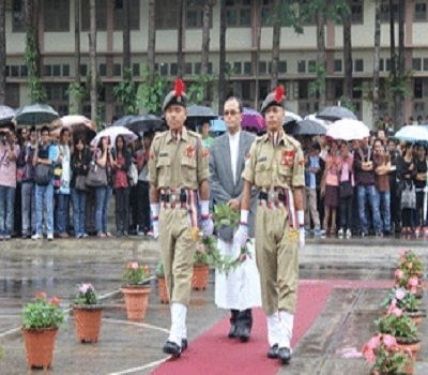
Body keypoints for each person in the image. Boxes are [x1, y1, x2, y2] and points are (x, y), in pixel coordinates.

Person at [148, 79, 213, 358]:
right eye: (170, 110)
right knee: (169, 272)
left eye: (179, 110)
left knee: (183, 269)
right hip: (165, 212)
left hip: (188, 214)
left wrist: (206, 214)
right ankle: (181, 329)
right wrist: (153, 218)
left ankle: (175, 334)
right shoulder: (157, 142)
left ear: (185, 115)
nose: (174, 114)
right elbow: (152, 182)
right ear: (165, 115)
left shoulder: (196, 143)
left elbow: (203, 180)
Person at [241, 86, 305, 365]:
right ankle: (273, 335)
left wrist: (301, 225)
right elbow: (248, 185)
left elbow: (299, 187)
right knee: (266, 276)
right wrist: (244, 222)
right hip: (264, 214)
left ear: (283, 115)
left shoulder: (295, 148)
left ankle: (285, 339)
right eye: (267, 112)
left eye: (276, 111)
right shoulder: (257, 147)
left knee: (286, 277)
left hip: (287, 213)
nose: (271, 116)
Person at [209, 96, 261, 342]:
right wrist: (227, 200)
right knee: (228, 266)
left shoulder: (253, 143)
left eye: (233, 112)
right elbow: (211, 178)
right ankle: (233, 317)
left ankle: (245, 319)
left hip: (246, 210)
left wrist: (241, 199)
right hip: (224, 212)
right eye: (226, 113)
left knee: (245, 267)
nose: (229, 117)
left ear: (242, 116)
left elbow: (257, 178)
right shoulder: (215, 145)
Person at [32, 126, 59, 241]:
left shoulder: (53, 147)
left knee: (48, 206)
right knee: (38, 207)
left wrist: (40, 160)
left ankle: (49, 231)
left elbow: (51, 161)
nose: (44, 137)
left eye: (46, 135)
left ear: (49, 136)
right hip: (38, 179)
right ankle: (38, 231)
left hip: (49, 179)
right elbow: (33, 162)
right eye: (43, 135)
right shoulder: (38, 147)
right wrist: (37, 147)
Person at [354, 137, 382, 237]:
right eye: (363, 139)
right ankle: (364, 229)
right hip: (361, 183)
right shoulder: (357, 152)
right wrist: (365, 165)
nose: (364, 140)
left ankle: (378, 229)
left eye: (366, 139)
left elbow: (375, 164)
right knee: (362, 209)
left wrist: (368, 165)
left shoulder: (371, 151)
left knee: (375, 208)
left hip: (371, 183)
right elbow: (357, 165)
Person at [0, 128, 20, 240]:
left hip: (11, 182)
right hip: (1, 180)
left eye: (11, 135)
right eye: (7, 135)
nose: (9, 136)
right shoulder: (1, 146)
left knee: (9, 207)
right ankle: (1, 230)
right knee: (1, 207)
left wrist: (11, 145)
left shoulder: (16, 147)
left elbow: (13, 157)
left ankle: (8, 230)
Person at [18, 127, 37, 238]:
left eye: (35, 135)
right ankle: (25, 229)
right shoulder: (24, 147)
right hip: (25, 179)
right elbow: (19, 162)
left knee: (34, 207)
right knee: (25, 207)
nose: (34, 137)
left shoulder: (37, 148)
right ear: (29, 136)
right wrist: (23, 159)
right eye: (32, 135)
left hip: (35, 180)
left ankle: (34, 229)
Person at [111, 135, 132, 237]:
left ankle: (125, 228)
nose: (119, 144)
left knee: (125, 207)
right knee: (118, 207)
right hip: (117, 182)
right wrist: (114, 165)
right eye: (118, 142)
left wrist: (120, 166)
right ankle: (119, 227)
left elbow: (128, 166)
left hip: (125, 182)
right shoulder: (113, 153)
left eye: (121, 142)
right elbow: (111, 168)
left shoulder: (127, 153)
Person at [71, 137, 91, 238]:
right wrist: (81, 167)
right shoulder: (73, 155)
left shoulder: (87, 155)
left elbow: (87, 168)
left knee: (83, 208)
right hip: (74, 184)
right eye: (77, 143)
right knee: (76, 208)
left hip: (84, 184)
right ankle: (77, 230)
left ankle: (82, 230)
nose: (79, 145)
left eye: (81, 143)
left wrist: (81, 166)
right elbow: (73, 168)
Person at [135, 132, 154, 236]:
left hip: (150, 180)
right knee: (141, 205)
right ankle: (141, 226)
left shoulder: (154, 151)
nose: (145, 142)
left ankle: (149, 225)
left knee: (149, 205)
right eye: (143, 140)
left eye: (147, 139)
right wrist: (143, 159)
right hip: (141, 179)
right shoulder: (140, 153)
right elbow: (138, 167)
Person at [93, 136, 112, 238]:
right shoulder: (98, 151)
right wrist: (105, 151)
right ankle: (99, 230)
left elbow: (112, 164)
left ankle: (106, 229)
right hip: (100, 181)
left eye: (107, 139)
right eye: (104, 139)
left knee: (106, 207)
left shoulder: (109, 151)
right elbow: (102, 163)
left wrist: (109, 152)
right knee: (99, 207)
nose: (106, 141)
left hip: (109, 181)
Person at [321, 140, 340, 236]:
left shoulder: (339, 158)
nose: (333, 149)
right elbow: (325, 172)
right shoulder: (327, 158)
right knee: (327, 206)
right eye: (332, 147)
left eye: (335, 147)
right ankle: (325, 226)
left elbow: (339, 171)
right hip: (328, 182)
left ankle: (333, 226)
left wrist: (335, 164)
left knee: (334, 207)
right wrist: (323, 186)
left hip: (336, 183)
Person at [55, 128, 72, 238]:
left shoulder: (68, 148)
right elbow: (55, 164)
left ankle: (65, 228)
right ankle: (60, 229)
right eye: (64, 135)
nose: (66, 137)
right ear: (61, 136)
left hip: (67, 181)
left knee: (66, 207)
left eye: (68, 135)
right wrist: (58, 159)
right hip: (60, 181)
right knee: (60, 207)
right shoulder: (57, 148)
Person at [373, 139, 391, 236]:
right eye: (376, 146)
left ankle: (387, 228)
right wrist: (385, 168)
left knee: (386, 208)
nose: (378, 148)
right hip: (376, 186)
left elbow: (389, 168)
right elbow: (377, 171)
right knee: (376, 208)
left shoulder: (387, 156)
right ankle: (379, 228)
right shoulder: (373, 157)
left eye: (379, 146)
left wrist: (384, 168)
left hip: (386, 186)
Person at [397, 144, 416, 235]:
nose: (411, 150)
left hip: (411, 185)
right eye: (411, 148)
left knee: (410, 206)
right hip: (403, 185)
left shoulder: (413, 160)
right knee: (403, 206)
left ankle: (409, 225)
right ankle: (404, 225)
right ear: (407, 149)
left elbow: (415, 174)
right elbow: (400, 172)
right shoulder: (400, 159)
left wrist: (410, 173)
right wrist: (409, 169)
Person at [337, 141, 354, 239]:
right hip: (342, 184)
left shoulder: (351, 158)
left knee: (349, 207)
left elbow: (351, 170)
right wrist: (342, 160)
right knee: (342, 207)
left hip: (349, 183)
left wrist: (347, 160)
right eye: (342, 148)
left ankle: (349, 227)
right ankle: (342, 226)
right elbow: (338, 170)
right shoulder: (339, 158)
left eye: (345, 147)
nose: (344, 150)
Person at [413, 144, 427, 236]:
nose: (421, 152)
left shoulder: (427, 162)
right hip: (416, 188)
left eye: (423, 150)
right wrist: (423, 176)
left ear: (425, 151)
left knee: (426, 209)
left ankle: (425, 225)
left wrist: (422, 176)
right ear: (417, 151)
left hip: (426, 189)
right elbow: (415, 175)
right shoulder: (415, 162)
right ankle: (417, 225)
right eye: (419, 150)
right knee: (417, 208)